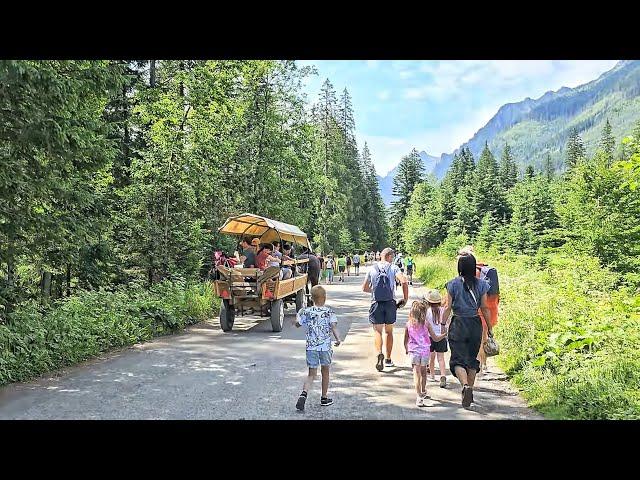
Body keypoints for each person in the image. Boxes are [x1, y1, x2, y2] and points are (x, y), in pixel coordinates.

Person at [443, 253, 492, 408]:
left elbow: (447, 307)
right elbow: (485, 307)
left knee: (457, 359)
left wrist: (442, 323)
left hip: (458, 323)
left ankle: (464, 385)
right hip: (474, 324)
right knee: (472, 358)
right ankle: (470, 389)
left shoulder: (452, 284)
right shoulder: (482, 285)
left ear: (460, 267)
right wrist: (489, 327)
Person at [294, 285, 341, 411]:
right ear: (325, 298)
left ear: (312, 299)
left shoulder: (307, 312)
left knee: (311, 374)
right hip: (325, 347)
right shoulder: (329, 312)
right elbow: (334, 327)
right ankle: (324, 398)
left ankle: (304, 393)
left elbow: (298, 324)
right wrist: (338, 339)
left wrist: (297, 320)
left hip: (311, 348)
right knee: (325, 371)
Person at [363, 247, 409, 372]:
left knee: (378, 331)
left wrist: (374, 291)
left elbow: (364, 288)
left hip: (376, 302)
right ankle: (388, 359)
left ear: (381, 256)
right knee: (388, 331)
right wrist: (405, 299)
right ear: (389, 256)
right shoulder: (394, 268)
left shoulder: (372, 268)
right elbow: (404, 281)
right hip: (390, 303)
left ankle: (379, 353)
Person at [404, 300, 444, 407]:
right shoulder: (426, 324)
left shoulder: (408, 324)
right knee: (423, 373)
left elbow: (405, 339)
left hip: (414, 351)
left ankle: (419, 396)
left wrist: (406, 349)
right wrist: (445, 334)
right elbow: (435, 338)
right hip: (425, 352)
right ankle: (423, 390)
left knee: (416, 373)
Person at [424, 289, 448, 388]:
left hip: (430, 337)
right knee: (441, 358)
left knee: (431, 357)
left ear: (429, 302)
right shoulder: (443, 311)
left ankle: (432, 375)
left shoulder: (428, 312)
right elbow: (447, 323)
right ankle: (443, 375)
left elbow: (425, 325)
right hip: (441, 337)